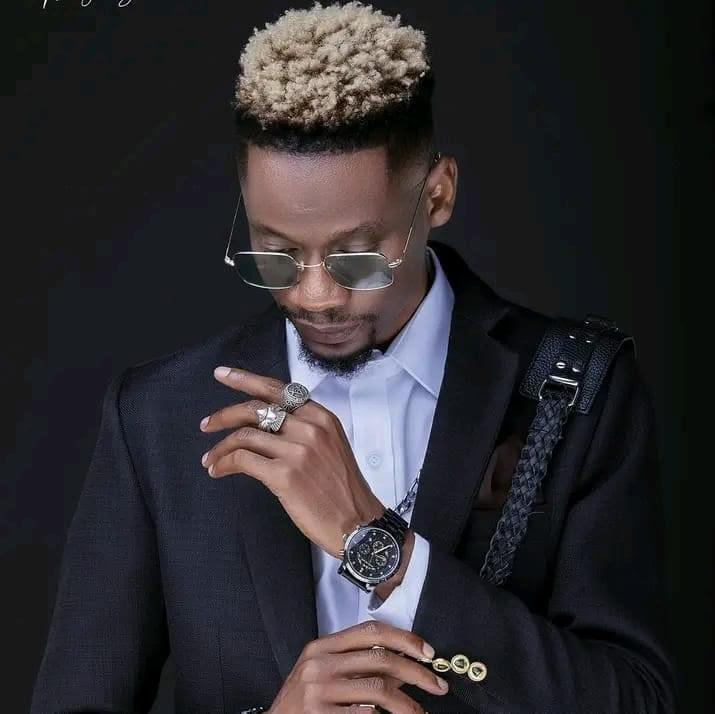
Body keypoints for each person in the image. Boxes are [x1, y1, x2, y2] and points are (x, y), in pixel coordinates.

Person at [31, 2, 675, 712]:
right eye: (276, 254)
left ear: (437, 196)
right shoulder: (159, 415)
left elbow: (637, 701)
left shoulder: (575, 391)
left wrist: (378, 544)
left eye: (356, 257)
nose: (315, 296)